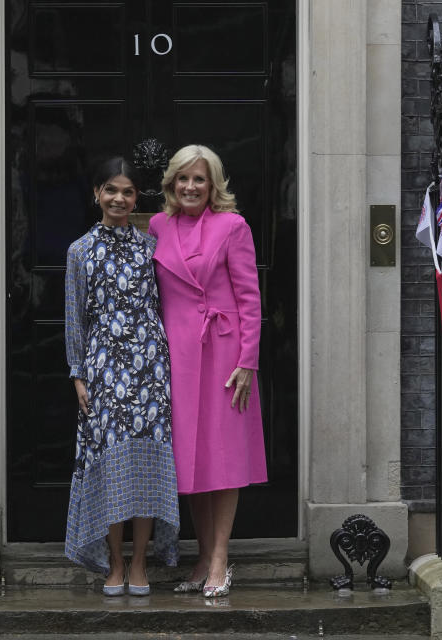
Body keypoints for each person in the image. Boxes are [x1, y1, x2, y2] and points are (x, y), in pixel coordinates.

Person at [148, 144, 267, 598]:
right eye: (183, 178)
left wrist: (247, 361)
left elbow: (250, 298)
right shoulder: (158, 225)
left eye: (199, 179)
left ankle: (220, 559)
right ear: (171, 184)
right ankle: (200, 556)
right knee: (190, 461)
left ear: (213, 184)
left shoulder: (233, 226)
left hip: (224, 356)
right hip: (176, 354)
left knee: (224, 458)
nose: (190, 187)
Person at [64, 156, 179, 596]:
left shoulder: (151, 247)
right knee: (113, 468)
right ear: (97, 193)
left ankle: (139, 563)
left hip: (150, 367)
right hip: (103, 369)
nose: (118, 198)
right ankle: (114, 562)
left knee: (147, 464)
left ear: (136, 199)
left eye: (127, 191)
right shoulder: (79, 251)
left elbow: (169, 304)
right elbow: (74, 318)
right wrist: (78, 375)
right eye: (110, 189)